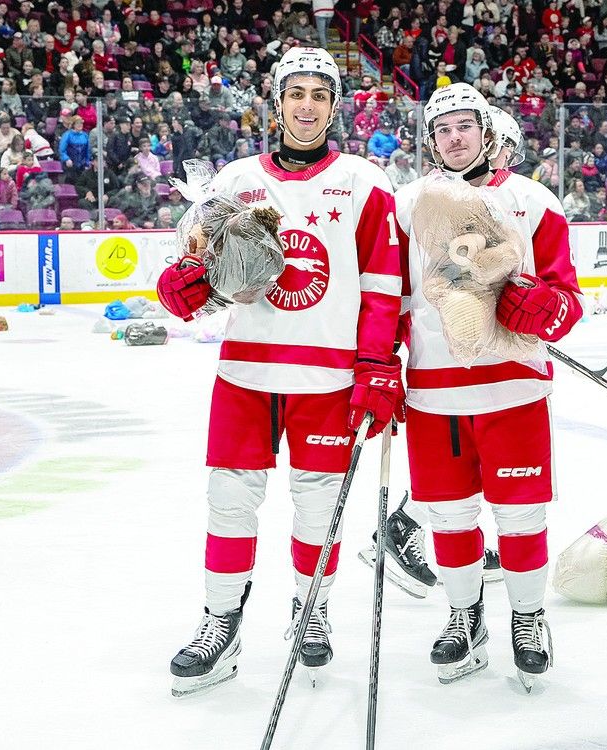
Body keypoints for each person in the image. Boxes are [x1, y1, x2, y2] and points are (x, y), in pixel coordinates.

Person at [157, 47, 403, 698]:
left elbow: (383, 286)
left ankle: (311, 607)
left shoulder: (364, 182)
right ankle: (221, 624)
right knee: (229, 503)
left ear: (333, 106)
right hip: (246, 373)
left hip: (327, 380)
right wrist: (184, 286)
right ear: (276, 101)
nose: (307, 105)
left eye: (320, 95)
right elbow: (196, 268)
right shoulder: (235, 180)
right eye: (295, 93)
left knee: (318, 509)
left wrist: (378, 361)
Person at [394, 83, 582, 689]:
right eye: (443, 128)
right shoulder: (406, 205)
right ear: (431, 138)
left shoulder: (532, 200)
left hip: (514, 391)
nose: (454, 137)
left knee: (522, 516)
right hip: (433, 392)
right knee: (449, 516)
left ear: (487, 132)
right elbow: (387, 296)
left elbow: (568, 302)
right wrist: (375, 362)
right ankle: (464, 616)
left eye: (464, 126)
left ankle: (528, 618)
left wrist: (543, 306)